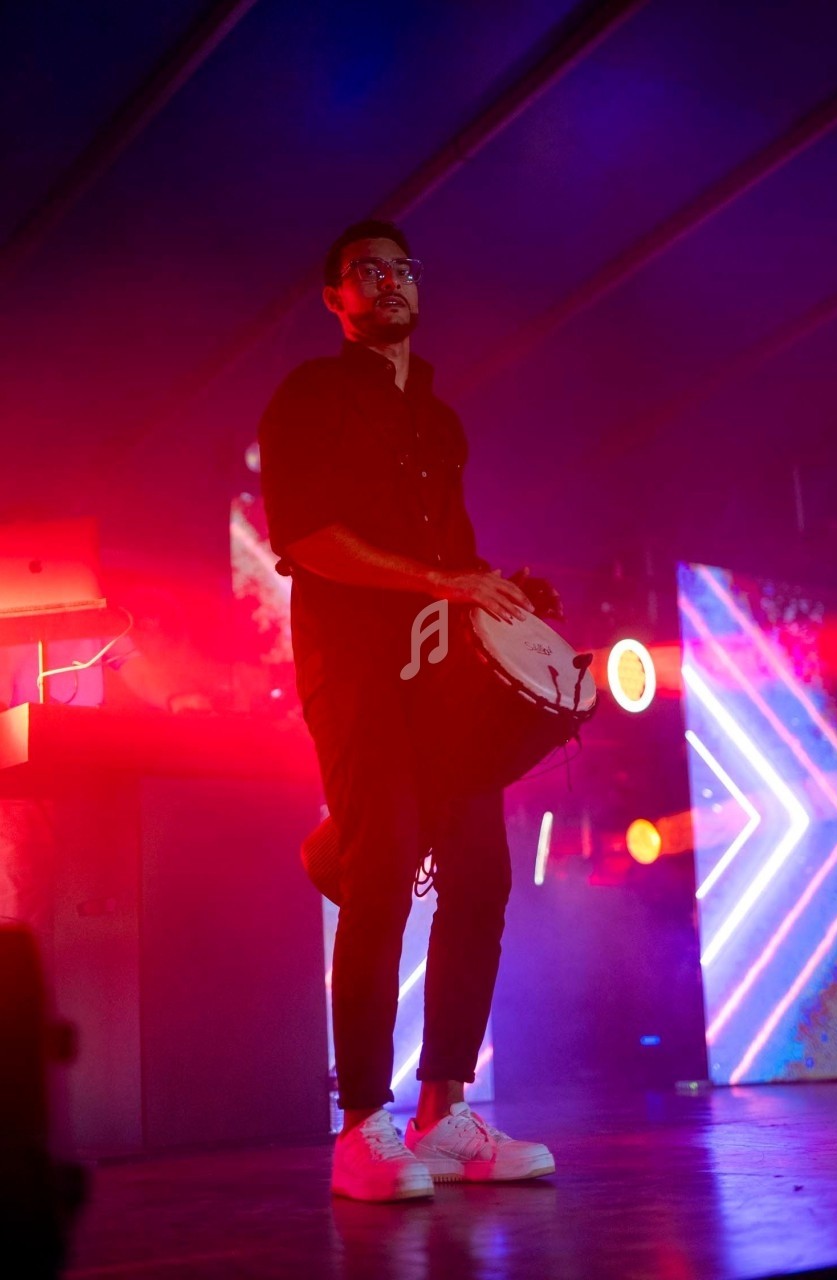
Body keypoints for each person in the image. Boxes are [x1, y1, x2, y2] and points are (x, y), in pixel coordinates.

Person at [259, 219, 562, 1202]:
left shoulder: (441, 418)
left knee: (480, 875)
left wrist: (496, 592)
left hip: (442, 682)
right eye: (366, 271)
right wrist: (445, 577)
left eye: (401, 269)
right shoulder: (310, 394)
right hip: (351, 665)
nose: (388, 282)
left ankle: (443, 1113)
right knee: (382, 868)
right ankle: (362, 1127)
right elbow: (306, 539)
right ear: (335, 298)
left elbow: (458, 560)